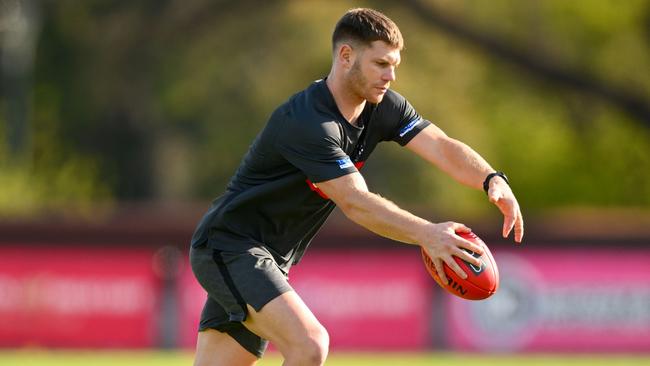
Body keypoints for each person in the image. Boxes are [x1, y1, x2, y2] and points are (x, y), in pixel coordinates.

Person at [189, 7, 523, 366]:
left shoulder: (382, 108)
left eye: (394, 65)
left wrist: (491, 178)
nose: (391, 76)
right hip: (230, 247)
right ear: (346, 56)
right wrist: (428, 234)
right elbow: (356, 202)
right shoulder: (309, 123)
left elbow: (440, 145)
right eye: (380, 64)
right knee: (310, 344)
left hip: (265, 258)